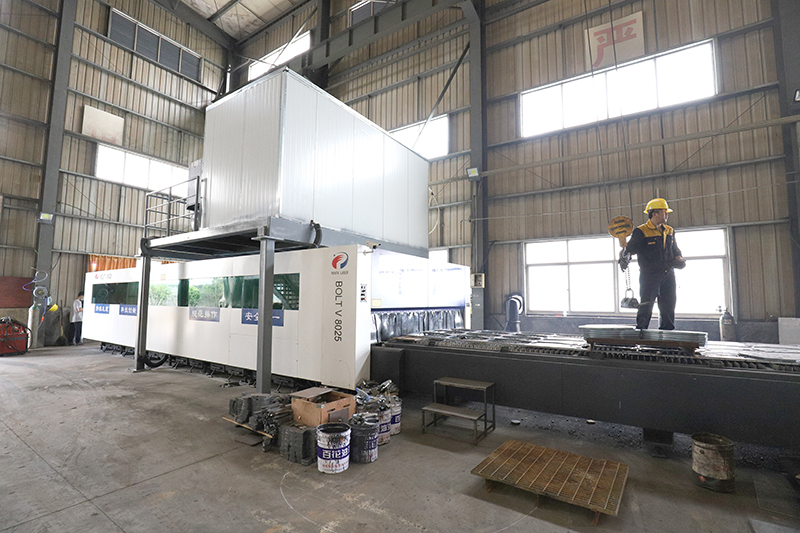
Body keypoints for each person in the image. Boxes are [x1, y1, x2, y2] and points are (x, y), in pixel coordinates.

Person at [619, 198, 685, 330]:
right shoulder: (641, 231)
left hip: (668, 274)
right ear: (654, 213)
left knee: (668, 305)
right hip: (649, 275)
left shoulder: (669, 230)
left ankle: (667, 333)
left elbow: (675, 249)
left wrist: (679, 258)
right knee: (646, 306)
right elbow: (631, 249)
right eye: (664, 212)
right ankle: (641, 333)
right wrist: (625, 257)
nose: (667, 215)